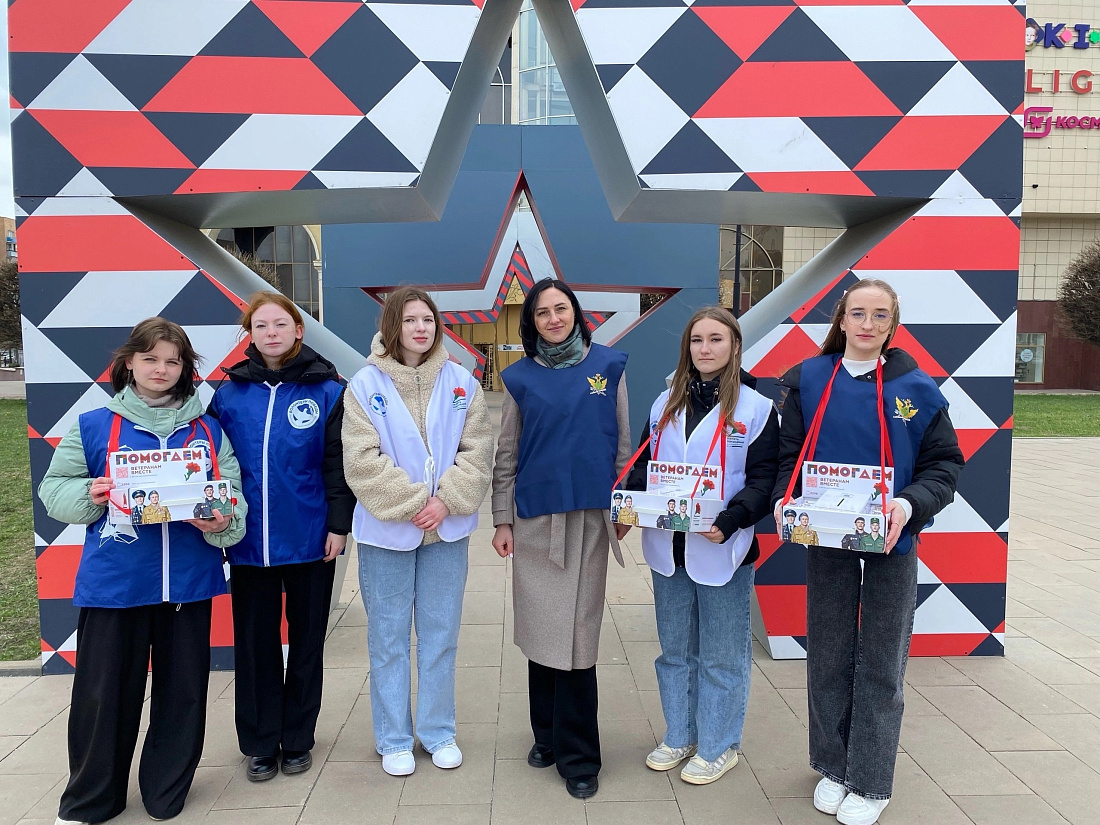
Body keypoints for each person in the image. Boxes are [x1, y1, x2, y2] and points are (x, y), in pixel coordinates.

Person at [38, 317, 246, 825]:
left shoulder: (208, 430)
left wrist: (223, 520)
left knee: (182, 696)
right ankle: (91, 800)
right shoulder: (93, 425)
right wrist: (89, 493)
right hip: (115, 585)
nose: (161, 369)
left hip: (187, 584)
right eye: (150, 358)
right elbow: (54, 491)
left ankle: (165, 792)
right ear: (128, 362)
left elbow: (233, 497)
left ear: (185, 368)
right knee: (103, 697)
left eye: (172, 361)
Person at [772, 278, 964, 825]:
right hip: (826, 538)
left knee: (881, 660)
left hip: (891, 539)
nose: (868, 323)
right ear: (841, 319)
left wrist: (908, 504)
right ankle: (833, 766)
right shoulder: (810, 379)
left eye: (881, 315)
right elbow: (790, 454)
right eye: (858, 312)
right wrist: (786, 498)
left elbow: (944, 466)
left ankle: (872, 779)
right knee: (828, 653)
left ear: (892, 324)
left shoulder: (917, 389)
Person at [622, 306, 778, 785]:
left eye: (715, 339)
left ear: (735, 346)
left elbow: (764, 479)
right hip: (668, 549)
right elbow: (646, 465)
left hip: (722, 547)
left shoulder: (756, 408)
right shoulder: (664, 403)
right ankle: (680, 735)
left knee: (722, 655)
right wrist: (629, 503)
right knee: (674, 651)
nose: (705, 349)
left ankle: (718, 745)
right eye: (696, 340)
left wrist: (732, 520)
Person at [491, 277, 631, 800]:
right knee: (540, 629)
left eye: (561, 308)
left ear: (575, 313)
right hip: (534, 521)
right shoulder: (519, 378)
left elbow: (623, 443)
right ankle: (545, 734)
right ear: (532, 322)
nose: (554, 318)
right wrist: (501, 519)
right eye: (543, 312)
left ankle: (579, 756)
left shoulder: (609, 366)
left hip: (591, 518)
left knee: (577, 636)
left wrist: (624, 508)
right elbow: (507, 454)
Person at [343, 286, 493, 777]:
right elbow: (361, 461)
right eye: (410, 320)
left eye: (427, 319)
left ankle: (437, 731)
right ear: (393, 325)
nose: (420, 328)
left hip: (446, 531)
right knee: (388, 639)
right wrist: (413, 504)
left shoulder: (461, 382)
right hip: (387, 532)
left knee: (440, 635)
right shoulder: (364, 385)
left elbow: (477, 450)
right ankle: (393, 738)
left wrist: (445, 501)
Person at [208, 291, 356, 782]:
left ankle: (297, 739)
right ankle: (259, 741)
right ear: (250, 335)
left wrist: (339, 525)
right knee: (256, 646)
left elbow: (338, 464)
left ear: (298, 330)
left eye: (280, 324)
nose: (270, 333)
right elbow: (214, 463)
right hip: (248, 543)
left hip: (311, 540)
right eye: (260, 326)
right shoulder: (229, 394)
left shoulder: (329, 391)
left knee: (307, 642)